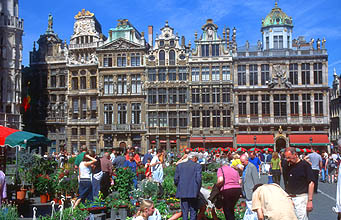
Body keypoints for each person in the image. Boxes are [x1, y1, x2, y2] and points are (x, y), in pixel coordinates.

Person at [283, 147, 314, 220]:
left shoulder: (305, 165)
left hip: (301, 198)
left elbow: (311, 183)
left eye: (289, 158)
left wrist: (310, 200)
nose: (288, 160)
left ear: (295, 155)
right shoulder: (287, 166)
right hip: (289, 198)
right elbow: (286, 182)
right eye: (286, 158)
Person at [174, 152, 202, 220]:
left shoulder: (180, 166)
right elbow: (198, 179)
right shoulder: (197, 166)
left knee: (184, 211)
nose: (197, 160)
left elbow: (176, 179)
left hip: (183, 191)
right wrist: (198, 190)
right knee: (193, 211)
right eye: (197, 159)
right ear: (194, 158)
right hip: (193, 192)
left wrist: (180, 186)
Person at [240, 154, 259, 220]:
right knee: (249, 208)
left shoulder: (252, 167)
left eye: (243, 162)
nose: (241, 163)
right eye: (241, 161)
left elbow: (256, 180)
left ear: (247, 160)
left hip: (251, 191)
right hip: (246, 190)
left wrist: (256, 192)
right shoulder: (245, 167)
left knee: (253, 209)